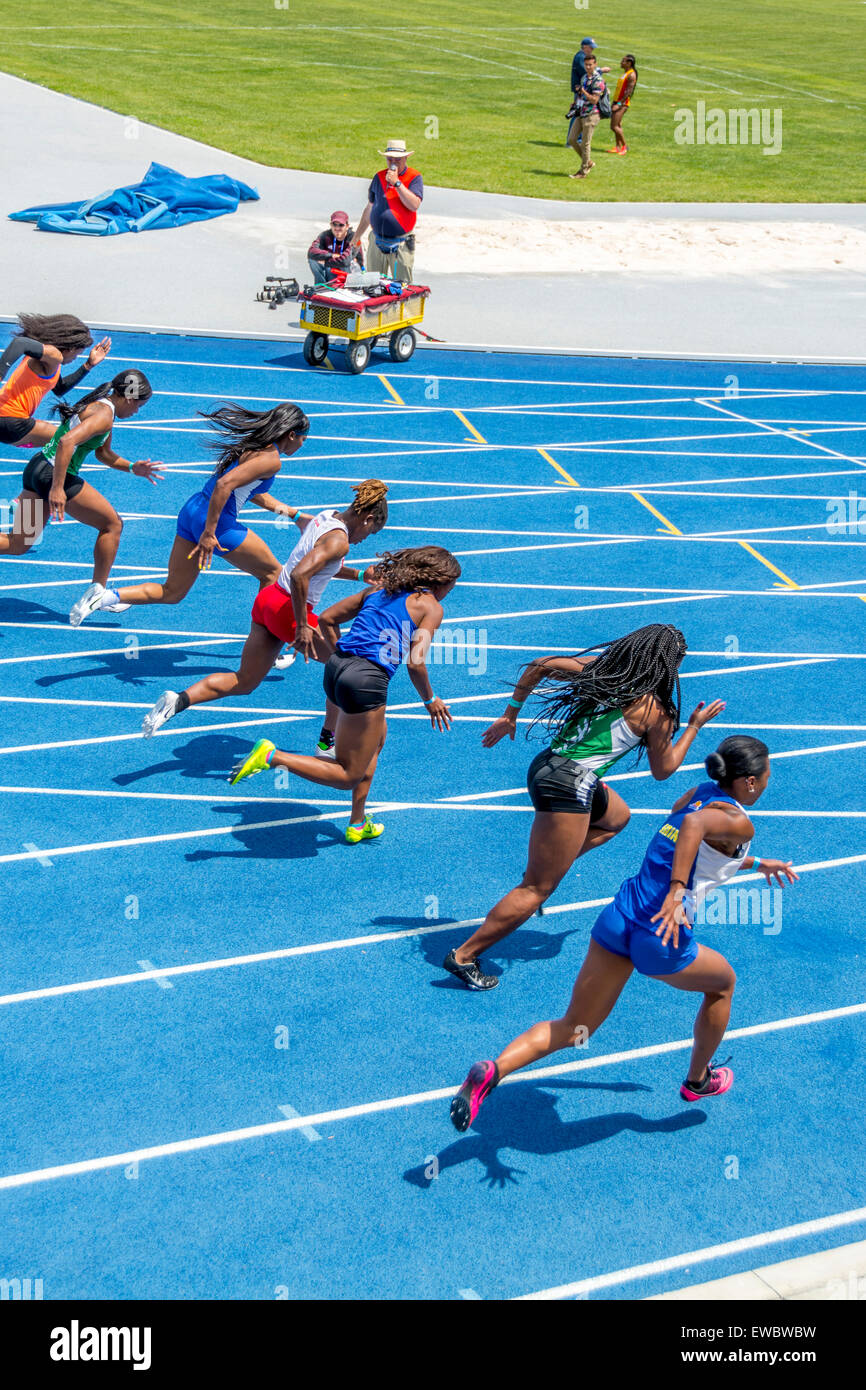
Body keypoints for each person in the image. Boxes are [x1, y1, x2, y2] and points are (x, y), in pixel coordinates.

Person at [450, 735, 799, 1132]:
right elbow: (696, 827)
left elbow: (689, 832)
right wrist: (677, 890)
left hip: (619, 919)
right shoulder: (739, 820)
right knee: (722, 985)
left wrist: (751, 862)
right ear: (749, 782)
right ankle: (698, 1080)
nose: (768, 783)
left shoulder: (700, 792)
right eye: (767, 776)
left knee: (574, 1027)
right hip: (661, 935)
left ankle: (493, 1071)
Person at [443, 624, 725, 990]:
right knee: (536, 889)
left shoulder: (603, 673)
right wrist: (693, 728)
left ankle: (553, 862)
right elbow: (663, 770)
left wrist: (511, 712)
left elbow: (541, 664)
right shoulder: (656, 710)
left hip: (547, 766)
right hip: (570, 785)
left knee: (618, 817)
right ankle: (464, 956)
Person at [228, 545, 459, 844]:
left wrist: (346, 658)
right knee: (347, 774)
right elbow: (416, 662)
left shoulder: (376, 592)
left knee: (375, 743)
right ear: (439, 581)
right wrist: (431, 701)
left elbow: (326, 619)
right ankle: (272, 756)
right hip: (366, 681)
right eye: (451, 586)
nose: (450, 592)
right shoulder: (431, 608)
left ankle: (358, 821)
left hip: (337, 669)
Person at [140, 480, 390, 746]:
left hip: (267, 601)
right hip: (289, 611)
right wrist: (303, 625)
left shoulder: (326, 517)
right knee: (347, 666)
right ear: (368, 519)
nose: (365, 539)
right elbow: (300, 574)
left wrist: (360, 575)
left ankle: (178, 700)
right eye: (371, 532)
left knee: (244, 680)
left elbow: (316, 562)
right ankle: (328, 741)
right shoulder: (340, 542)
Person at [69, 401, 310, 625]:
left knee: (173, 591)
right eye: (303, 439)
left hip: (192, 511)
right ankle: (265, 642)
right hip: (218, 524)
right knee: (272, 573)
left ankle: (103, 598)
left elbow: (248, 490)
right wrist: (209, 533)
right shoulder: (272, 459)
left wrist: (295, 515)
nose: (302, 445)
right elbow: (224, 485)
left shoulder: (255, 447)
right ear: (291, 434)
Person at [0, 370, 163, 616]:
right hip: (53, 475)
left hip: (37, 469)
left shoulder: (100, 406)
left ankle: (98, 591)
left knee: (18, 543)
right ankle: (98, 592)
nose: (137, 411)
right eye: (139, 405)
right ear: (129, 398)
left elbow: (103, 454)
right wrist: (57, 488)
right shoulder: (104, 416)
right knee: (112, 525)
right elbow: (67, 443)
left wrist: (132, 467)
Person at [0, 313, 111, 450]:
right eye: (77, 354)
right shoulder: (54, 355)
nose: (75, 358)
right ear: (70, 348)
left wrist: (88, 365)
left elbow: (59, 389)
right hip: (12, 419)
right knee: (69, 440)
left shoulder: (48, 357)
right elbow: (19, 343)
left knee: (60, 445)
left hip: (6, 418)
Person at [353, 139, 423, 282]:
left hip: (401, 243)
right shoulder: (379, 177)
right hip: (377, 240)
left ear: (405, 158)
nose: (393, 162)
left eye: (397, 159)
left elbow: (414, 204)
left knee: (402, 286)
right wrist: (356, 237)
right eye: (389, 158)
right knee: (372, 284)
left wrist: (397, 183)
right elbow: (369, 208)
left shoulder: (414, 177)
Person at [307, 211, 363, 287]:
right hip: (332, 271)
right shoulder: (325, 235)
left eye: (341, 225)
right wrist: (331, 255)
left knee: (349, 262)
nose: (337, 228)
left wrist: (325, 262)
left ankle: (348, 288)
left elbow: (345, 261)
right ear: (331, 225)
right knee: (313, 259)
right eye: (334, 225)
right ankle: (320, 287)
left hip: (350, 273)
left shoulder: (355, 238)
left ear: (347, 226)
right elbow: (311, 252)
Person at [607, 55, 638, 154]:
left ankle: (624, 146)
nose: (621, 62)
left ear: (629, 63)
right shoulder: (626, 73)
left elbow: (629, 91)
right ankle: (617, 147)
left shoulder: (631, 75)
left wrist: (619, 104)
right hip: (617, 101)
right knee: (618, 125)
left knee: (614, 126)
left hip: (622, 103)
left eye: (623, 61)